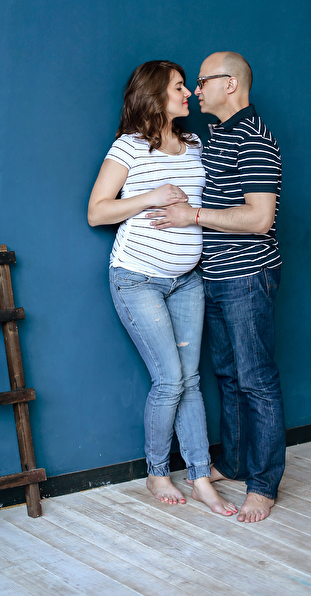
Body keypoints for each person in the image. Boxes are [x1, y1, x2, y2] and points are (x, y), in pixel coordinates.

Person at [88, 60, 238, 515]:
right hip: (138, 279)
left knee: (190, 380)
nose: (189, 93)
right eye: (179, 87)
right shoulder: (129, 147)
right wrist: (150, 197)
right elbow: (97, 211)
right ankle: (156, 471)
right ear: (155, 95)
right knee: (170, 379)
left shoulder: (194, 144)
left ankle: (200, 476)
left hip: (187, 280)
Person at [148, 51, 284, 523]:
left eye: (203, 80)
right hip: (216, 276)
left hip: (248, 276)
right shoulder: (219, 135)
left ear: (231, 84)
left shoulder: (254, 138)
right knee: (227, 376)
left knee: (257, 381)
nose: (196, 90)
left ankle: (263, 485)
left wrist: (193, 216)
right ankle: (235, 462)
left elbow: (260, 218)